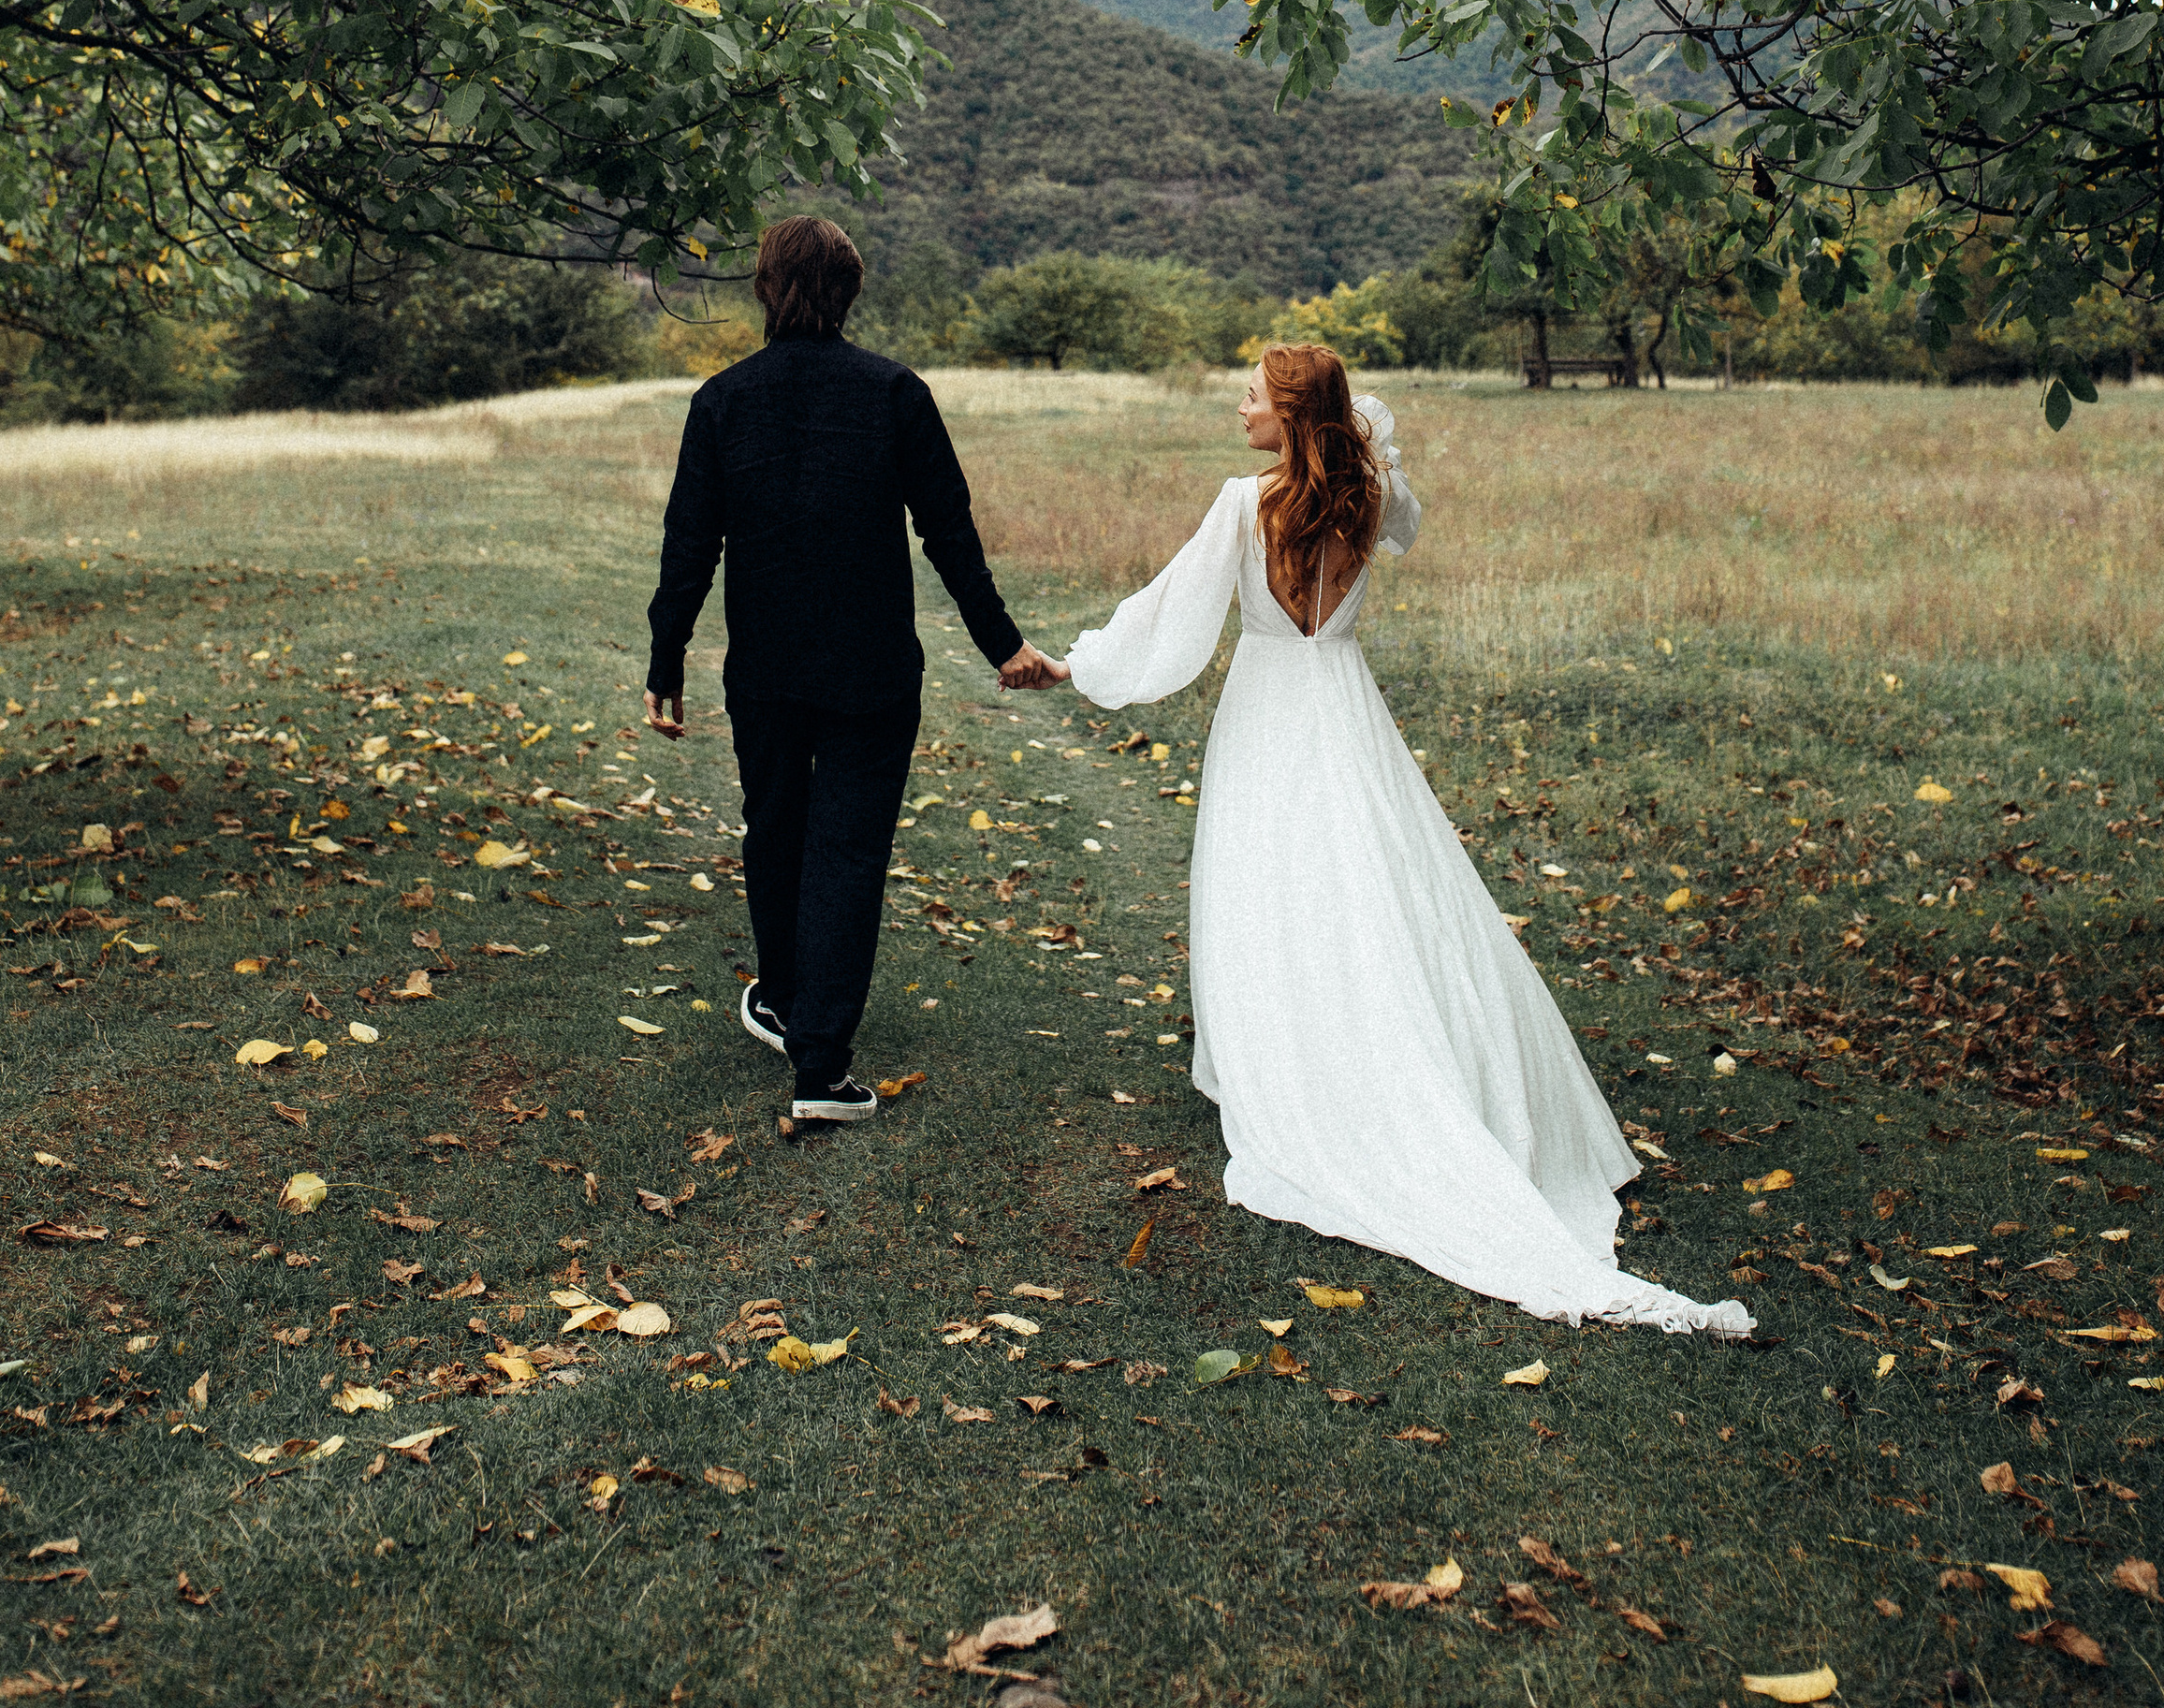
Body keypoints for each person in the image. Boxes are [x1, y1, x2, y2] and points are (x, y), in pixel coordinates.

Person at [1063, 343, 1752, 1337]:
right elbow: (1406, 524)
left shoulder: (1243, 503)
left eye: (1252, 398)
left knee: (1267, 882)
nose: (1239, 410)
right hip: (1343, 703)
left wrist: (1079, 664)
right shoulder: (1372, 497)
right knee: (1371, 879)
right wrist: (1366, 447)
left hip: (1267, 708)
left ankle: (1298, 1062)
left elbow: (1170, 614)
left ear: (1291, 415)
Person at [643, 213, 1066, 1126]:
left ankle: (791, 1006)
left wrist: (666, 656)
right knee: (847, 849)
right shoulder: (894, 393)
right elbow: (949, 534)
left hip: (764, 667)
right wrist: (1003, 644)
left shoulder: (722, 400)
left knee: (775, 830)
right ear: (850, 292)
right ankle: (819, 1061)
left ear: (765, 287)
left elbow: (690, 545)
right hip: (871, 668)